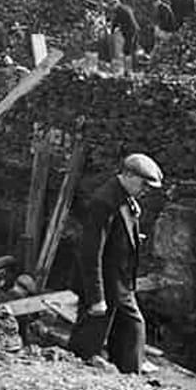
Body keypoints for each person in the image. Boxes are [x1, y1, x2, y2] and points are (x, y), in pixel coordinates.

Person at [68, 153, 163, 374]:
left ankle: (129, 372)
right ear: (128, 175)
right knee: (93, 333)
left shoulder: (124, 197)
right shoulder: (104, 201)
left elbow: (117, 233)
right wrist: (96, 298)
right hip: (104, 283)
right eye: (144, 184)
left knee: (131, 329)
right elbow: (89, 253)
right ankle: (75, 369)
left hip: (119, 283)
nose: (145, 191)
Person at [107, 0, 140, 71]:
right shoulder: (126, 8)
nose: (112, 8)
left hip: (130, 31)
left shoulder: (120, 10)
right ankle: (134, 68)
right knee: (133, 49)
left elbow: (115, 22)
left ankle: (128, 69)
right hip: (134, 29)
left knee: (127, 50)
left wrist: (111, 32)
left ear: (116, 4)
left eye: (112, 6)